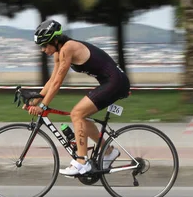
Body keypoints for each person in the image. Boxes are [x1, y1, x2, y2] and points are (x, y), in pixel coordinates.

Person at [26, 19, 131, 176]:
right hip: (110, 81)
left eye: (45, 45)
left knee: (77, 114)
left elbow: (57, 84)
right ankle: (108, 152)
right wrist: (34, 101)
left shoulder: (68, 49)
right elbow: (51, 81)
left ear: (55, 40)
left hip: (115, 82)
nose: (43, 49)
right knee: (80, 117)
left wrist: (43, 107)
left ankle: (82, 162)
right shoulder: (58, 53)